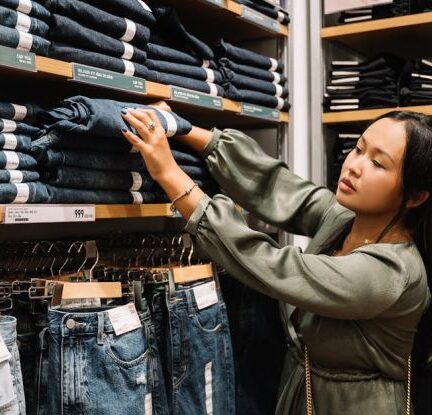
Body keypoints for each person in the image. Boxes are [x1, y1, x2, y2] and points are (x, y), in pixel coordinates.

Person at [120, 106, 432, 414]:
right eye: (359, 148)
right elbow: (279, 188)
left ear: (416, 195)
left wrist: (169, 174)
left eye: (378, 163)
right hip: (302, 395)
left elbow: (274, 266)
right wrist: (179, 127)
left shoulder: (391, 273)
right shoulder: (346, 220)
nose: (354, 166)